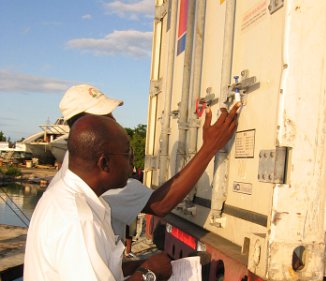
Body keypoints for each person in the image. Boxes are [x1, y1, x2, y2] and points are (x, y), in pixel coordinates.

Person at [24, 115, 173, 281]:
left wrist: (140, 266)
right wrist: (147, 275)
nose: (132, 166)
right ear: (104, 163)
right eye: (127, 156)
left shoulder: (67, 195)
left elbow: (85, 273)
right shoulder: (78, 217)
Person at [50, 84, 241, 243]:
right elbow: (160, 204)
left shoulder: (73, 169)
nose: (115, 121)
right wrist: (209, 148)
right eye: (107, 116)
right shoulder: (92, 177)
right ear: (88, 125)